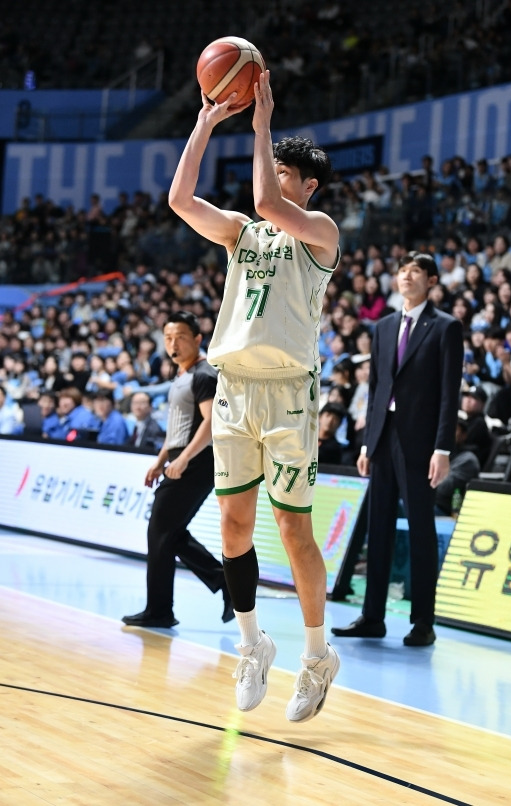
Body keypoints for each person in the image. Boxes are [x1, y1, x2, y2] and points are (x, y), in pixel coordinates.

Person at [167, 70, 340, 723]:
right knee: (234, 527)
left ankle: (318, 656)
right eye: (270, 169)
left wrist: (262, 122)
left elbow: (273, 206)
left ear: (308, 185)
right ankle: (252, 643)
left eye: (282, 171)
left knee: (294, 530)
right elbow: (181, 197)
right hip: (236, 389)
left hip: (289, 395)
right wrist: (208, 123)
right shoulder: (240, 231)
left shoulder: (319, 232)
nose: (271, 178)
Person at [331, 252, 463, 647]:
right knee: (378, 527)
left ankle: (423, 621)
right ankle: (373, 616)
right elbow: (375, 390)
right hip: (383, 439)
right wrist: (368, 441)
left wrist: (442, 448)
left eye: (416, 271)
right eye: (402, 271)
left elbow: (448, 394)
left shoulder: (446, 327)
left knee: (421, 531)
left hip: (421, 444)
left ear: (432, 280)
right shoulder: (383, 326)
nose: (406, 277)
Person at [122, 312, 234, 629]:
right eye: (168, 337)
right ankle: (225, 582)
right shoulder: (182, 376)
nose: (173, 343)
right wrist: (161, 461)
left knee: (161, 532)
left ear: (198, 339)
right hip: (182, 461)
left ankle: (161, 610)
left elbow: (211, 423)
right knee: (168, 535)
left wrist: (182, 459)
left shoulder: (204, 375)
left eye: (181, 336)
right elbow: (177, 429)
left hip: (197, 463)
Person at [434, 416, 480, 516]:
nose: (446, 433)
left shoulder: (467, 460)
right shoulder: (432, 454)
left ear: (463, 436)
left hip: (444, 510)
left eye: (452, 429)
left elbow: (443, 488)